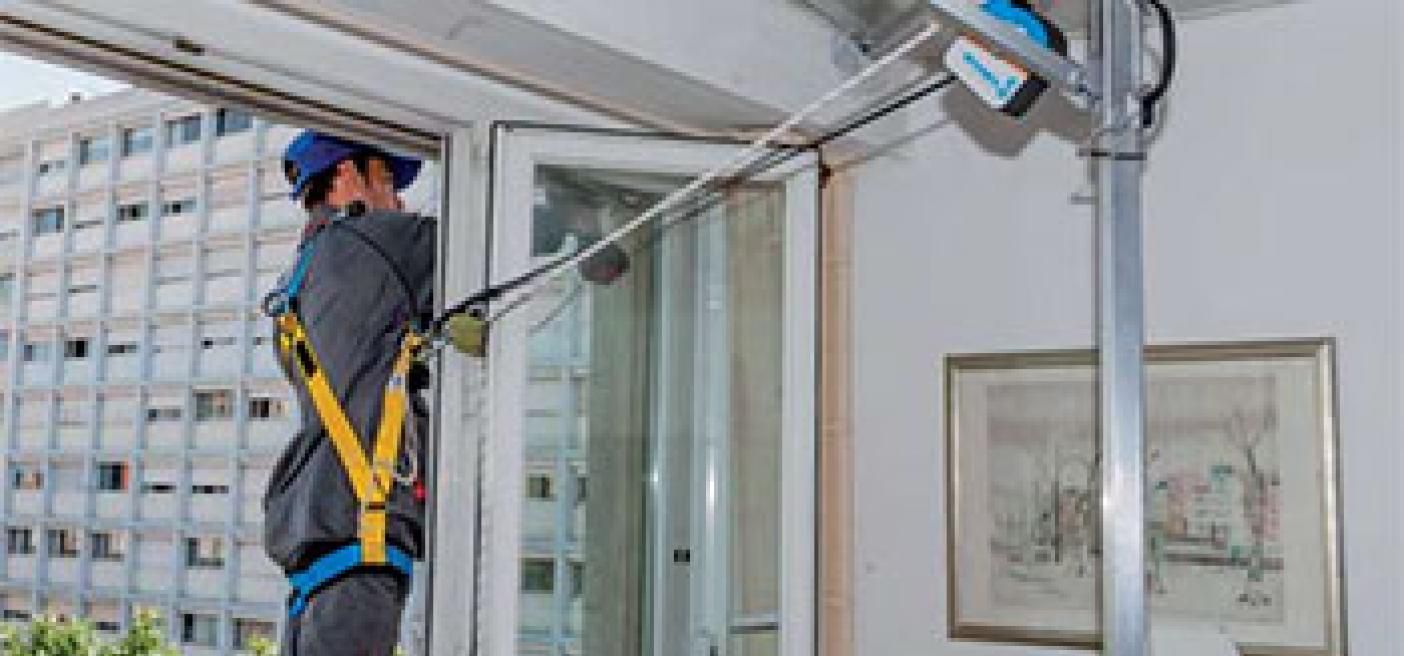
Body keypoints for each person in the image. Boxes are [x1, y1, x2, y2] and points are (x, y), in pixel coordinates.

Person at [262, 130, 433, 656]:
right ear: (345, 176)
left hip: (320, 550)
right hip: (357, 545)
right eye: (387, 181)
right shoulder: (374, 243)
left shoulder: (298, 276)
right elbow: (494, 240)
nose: (398, 202)